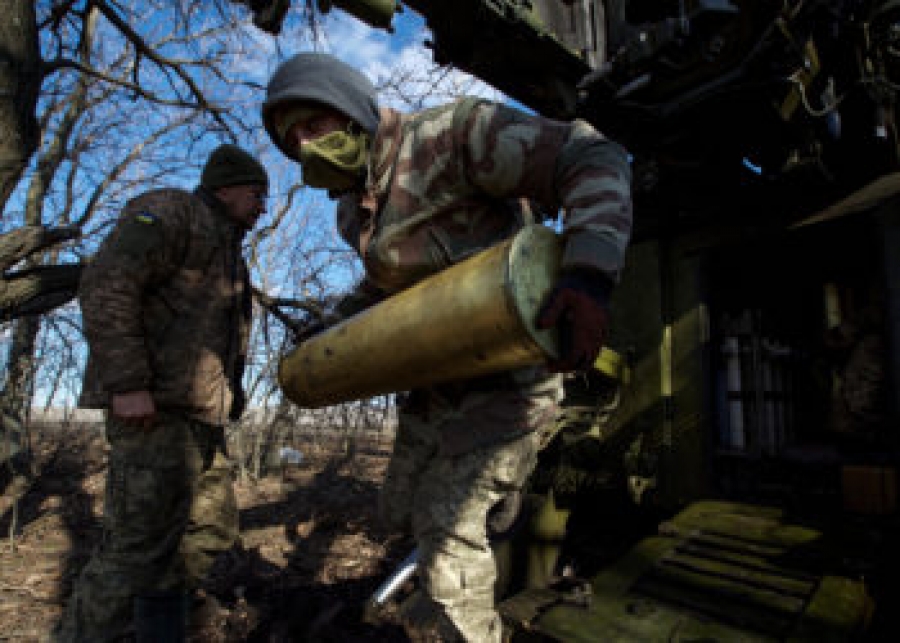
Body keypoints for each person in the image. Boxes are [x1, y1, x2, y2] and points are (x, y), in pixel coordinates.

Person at [262, 52, 632, 642]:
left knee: (445, 527)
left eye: (312, 126)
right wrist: (328, 328)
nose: (305, 147)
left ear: (349, 111)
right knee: (398, 507)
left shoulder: (452, 136)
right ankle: (502, 508)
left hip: (510, 378)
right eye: (292, 140)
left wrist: (588, 273)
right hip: (438, 386)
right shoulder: (348, 211)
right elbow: (384, 289)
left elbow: (591, 155)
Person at [55, 144, 269, 643]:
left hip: (200, 424)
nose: (262, 207)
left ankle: (158, 631)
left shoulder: (229, 250)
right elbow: (107, 283)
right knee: (137, 549)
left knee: (209, 533)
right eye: (257, 194)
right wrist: (128, 384)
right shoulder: (173, 211)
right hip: (152, 416)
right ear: (226, 187)